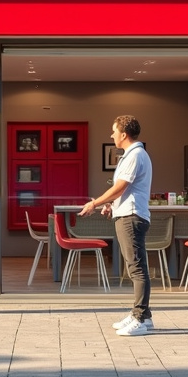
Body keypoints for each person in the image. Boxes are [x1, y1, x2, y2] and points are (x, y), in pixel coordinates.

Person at [78, 115, 153, 336]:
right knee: (135, 267)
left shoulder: (135, 155)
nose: (111, 135)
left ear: (123, 134)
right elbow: (126, 190)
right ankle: (144, 316)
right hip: (126, 214)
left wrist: (95, 202)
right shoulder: (133, 155)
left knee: (136, 268)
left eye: (113, 131)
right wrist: (112, 205)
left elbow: (121, 187)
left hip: (131, 217)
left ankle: (139, 318)